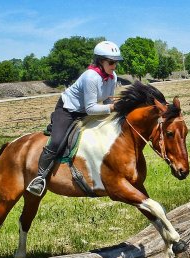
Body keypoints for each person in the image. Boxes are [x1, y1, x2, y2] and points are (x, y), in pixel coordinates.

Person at [26, 41, 123, 196]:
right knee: (57, 141)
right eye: (111, 62)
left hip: (86, 111)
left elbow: (107, 102)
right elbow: (92, 108)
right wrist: (112, 107)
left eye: (116, 62)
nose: (114, 66)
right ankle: (39, 178)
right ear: (100, 60)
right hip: (68, 111)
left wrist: (114, 108)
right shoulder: (91, 77)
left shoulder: (112, 77)